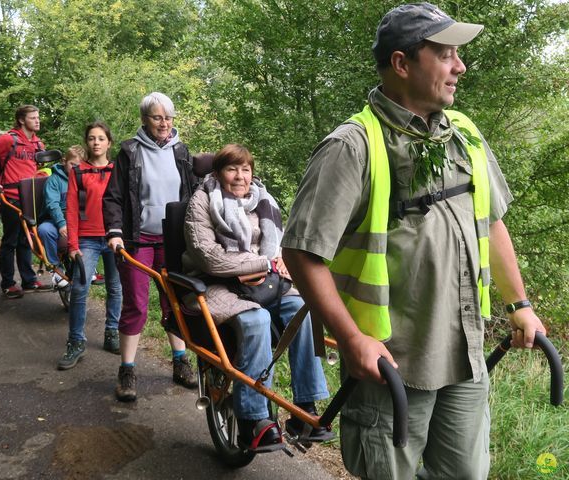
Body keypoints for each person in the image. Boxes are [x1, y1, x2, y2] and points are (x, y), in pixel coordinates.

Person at [281, 3, 548, 479]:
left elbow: (490, 221)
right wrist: (352, 338)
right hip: (391, 365)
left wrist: (519, 303)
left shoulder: (464, 136)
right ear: (402, 64)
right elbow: (302, 252)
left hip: (465, 357)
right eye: (445, 54)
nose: (459, 66)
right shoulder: (352, 146)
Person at [182, 143, 331, 452]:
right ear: (219, 172)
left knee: (304, 308)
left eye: (245, 169)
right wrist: (263, 263)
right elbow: (210, 259)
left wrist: (285, 260)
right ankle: (252, 420)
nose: (240, 176)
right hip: (217, 285)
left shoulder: (264, 199)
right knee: (257, 319)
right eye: (232, 169)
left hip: (266, 283)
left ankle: (306, 409)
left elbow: (282, 243)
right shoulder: (201, 202)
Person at [104, 92, 199, 400]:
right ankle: (127, 370)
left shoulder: (181, 152)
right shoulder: (130, 152)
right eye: (157, 117)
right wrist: (114, 232)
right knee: (136, 305)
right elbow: (114, 196)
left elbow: (195, 192)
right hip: (137, 239)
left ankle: (180, 361)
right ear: (145, 119)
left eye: (168, 117)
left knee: (175, 302)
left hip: (173, 240)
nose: (164, 123)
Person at [57, 121, 122, 370]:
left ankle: (112, 333)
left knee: (115, 288)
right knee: (80, 289)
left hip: (113, 238)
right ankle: (75, 341)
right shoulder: (78, 172)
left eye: (101, 138)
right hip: (87, 239)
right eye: (92, 138)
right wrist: (72, 244)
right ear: (87, 142)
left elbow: (124, 205)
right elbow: (72, 209)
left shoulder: (118, 170)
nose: (96, 142)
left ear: (109, 142)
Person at [0, 105, 51, 298]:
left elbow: (35, 168)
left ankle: (29, 280)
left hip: (31, 197)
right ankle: (8, 284)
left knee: (26, 240)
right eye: (33, 117)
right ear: (22, 120)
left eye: (38, 117)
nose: (37, 120)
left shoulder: (38, 144)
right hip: (12, 198)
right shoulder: (9, 139)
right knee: (10, 240)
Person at [37, 145, 85, 288]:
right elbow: (52, 204)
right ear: (64, 161)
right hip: (55, 219)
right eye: (72, 165)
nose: (75, 169)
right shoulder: (54, 180)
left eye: (79, 166)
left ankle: (87, 266)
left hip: (77, 219)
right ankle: (56, 269)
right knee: (45, 230)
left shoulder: (83, 179)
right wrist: (61, 223)